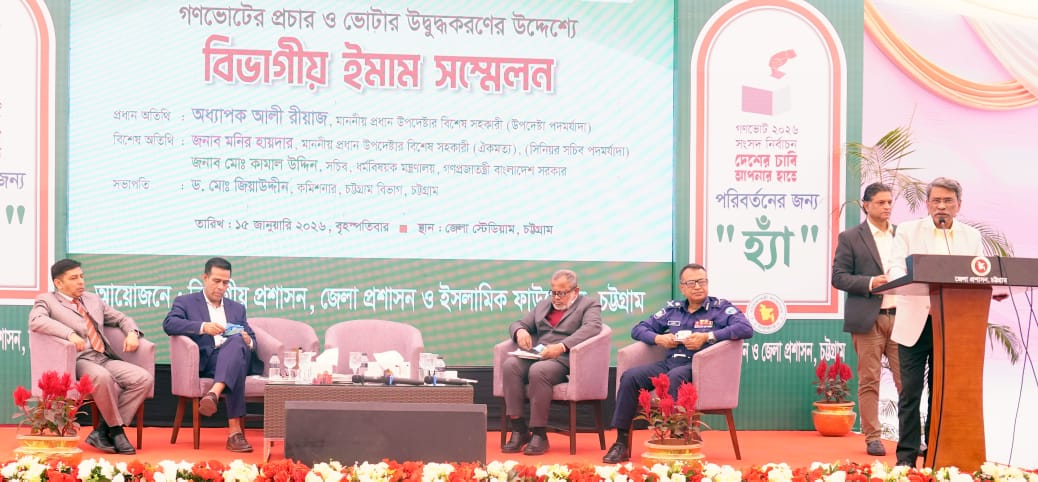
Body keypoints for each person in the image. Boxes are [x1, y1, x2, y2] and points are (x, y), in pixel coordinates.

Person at [886, 177, 1003, 467]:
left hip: (953, 327)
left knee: (942, 393)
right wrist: (904, 282)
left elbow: (978, 273)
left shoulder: (970, 236)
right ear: (927, 204)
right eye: (936, 200)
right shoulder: (908, 231)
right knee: (910, 393)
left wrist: (993, 288)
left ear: (958, 205)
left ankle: (937, 455)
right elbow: (895, 267)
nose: (941, 206)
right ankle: (906, 459)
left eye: (948, 201)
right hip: (915, 323)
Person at [602, 263, 754, 464]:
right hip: (670, 363)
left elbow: (745, 328)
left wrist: (707, 336)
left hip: (700, 368)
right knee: (630, 377)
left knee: (675, 376)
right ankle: (621, 443)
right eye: (692, 283)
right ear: (682, 288)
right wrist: (659, 339)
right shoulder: (672, 310)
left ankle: (677, 438)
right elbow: (638, 329)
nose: (698, 286)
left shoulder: (720, 308)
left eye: (702, 281)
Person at [28, 259, 153, 455]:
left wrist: (132, 333)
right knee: (101, 377)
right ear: (59, 283)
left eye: (82, 276)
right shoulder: (47, 300)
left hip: (103, 357)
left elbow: (121, 318)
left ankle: (102, 430)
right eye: (74, 278)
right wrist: (69, 334)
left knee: (143, 378)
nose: (81, 282)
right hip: (79, 360)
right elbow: (36, 320)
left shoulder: (93, 299)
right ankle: (116, 432)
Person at [831, 182, 903, 456]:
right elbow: (839, 277)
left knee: (906, 382)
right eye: (881, 202)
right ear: (866, 205)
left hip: (901, 318)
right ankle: (873, 437)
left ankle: (909, 437)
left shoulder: (902, 235)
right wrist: (871, 282)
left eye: (890, 202)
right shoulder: (851, 237)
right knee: (869, 380)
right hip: (868, 319)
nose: (887, 207)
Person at [163, 257, 262, 453]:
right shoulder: (186, 302)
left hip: (235, 355)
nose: (221, 287)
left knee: (237, 343)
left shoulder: (237, 308)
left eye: (226, 282)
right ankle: (235, 434)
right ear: (205, 278)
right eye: (216, 281)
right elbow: (169, 324)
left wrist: (247, 340)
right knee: (235, 365)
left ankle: (213, 394)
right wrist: (203, 327)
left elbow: (252, 339)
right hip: (209, 360)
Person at [501, 269, 603, 456]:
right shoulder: (543, 306)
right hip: (539, 354)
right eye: (553, 292)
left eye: (561, 293)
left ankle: (539, 434)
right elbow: (518, 323)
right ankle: (519, 429)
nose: (556, 298)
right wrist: (520, 332)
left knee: (538, 371)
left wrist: (562, 346)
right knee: (510, 365)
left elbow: (593, 327)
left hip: (564, 359)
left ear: (575, 291)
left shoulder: (589, 305)